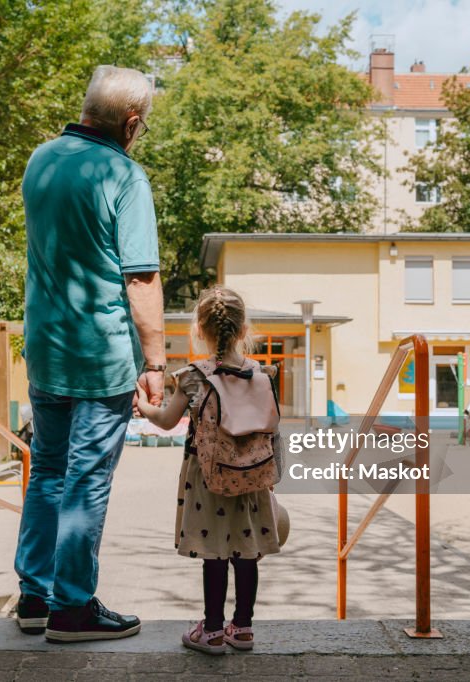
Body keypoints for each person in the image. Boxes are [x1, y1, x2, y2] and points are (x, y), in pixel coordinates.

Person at [15, 65, 166, 643]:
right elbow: (141, 279)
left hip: (45, 349)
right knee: (86, 479)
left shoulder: (41, 160)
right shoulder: (124, 176)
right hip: (99, 357)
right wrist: (153, 366)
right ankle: (73, 609)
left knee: (47, 472)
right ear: (131, 123)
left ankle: (35, 596)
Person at [135, 286, 280, 655]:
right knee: (246, 551)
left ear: (200, 330)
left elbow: (167, 421)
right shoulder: (261, 373)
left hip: (209, 477)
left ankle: (212, 630)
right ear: (244, 329)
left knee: (215, 552)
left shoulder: (194, 375)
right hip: (252, 478)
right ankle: (243, 628)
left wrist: (143, 407)